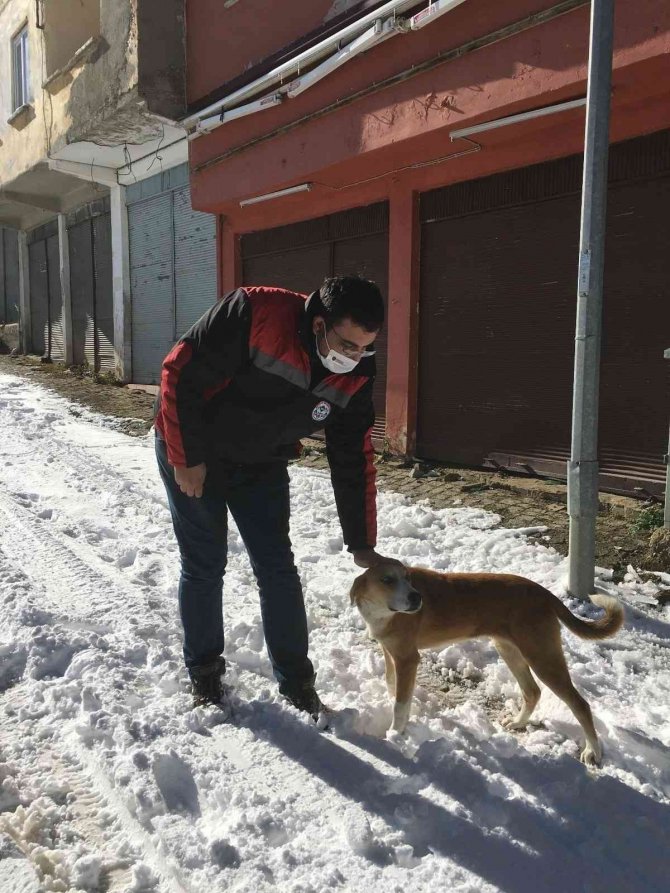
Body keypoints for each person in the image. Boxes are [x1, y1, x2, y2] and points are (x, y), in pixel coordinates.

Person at [154, 276, 395, 719]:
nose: (354, 357)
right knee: (205, 563)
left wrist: (361, 540)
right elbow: (179, 372)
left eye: (365, 347)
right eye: (347, 344)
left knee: (278, 567)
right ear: (319, 323)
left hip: (261, 461)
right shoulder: (256, 313)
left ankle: (297, 682)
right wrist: (185, 458)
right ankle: (205, 672)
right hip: (194, 446)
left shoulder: (358, 367)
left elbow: (351, 452)